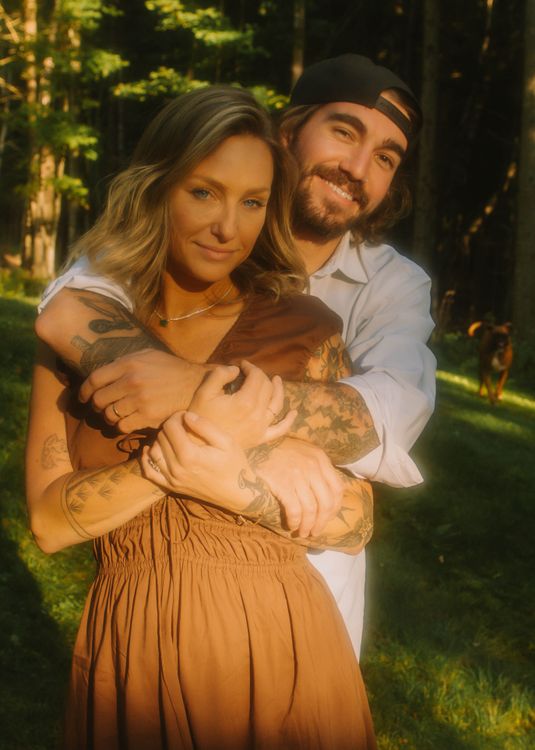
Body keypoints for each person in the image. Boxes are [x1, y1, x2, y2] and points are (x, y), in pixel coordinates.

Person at [36, 54, 436, 657]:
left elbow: (388, 416)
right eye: (344, 131)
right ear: (288, 131)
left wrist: (191, 389)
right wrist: (265, 446)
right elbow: (68, 310)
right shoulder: (163, 264)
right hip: (145, 619)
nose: (358, 167)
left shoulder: (390, 288)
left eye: (385, 158)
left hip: (310, 606)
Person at [26, 86, 376, 748]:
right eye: (203, 192)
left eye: (252, 202)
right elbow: (47, 522)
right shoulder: (85, 335)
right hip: (135, 655)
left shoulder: (304, 326)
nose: (227, 227)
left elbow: (354, 520)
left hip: (284, 645)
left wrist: (232, 473)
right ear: (156, 187)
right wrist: (172, 464)